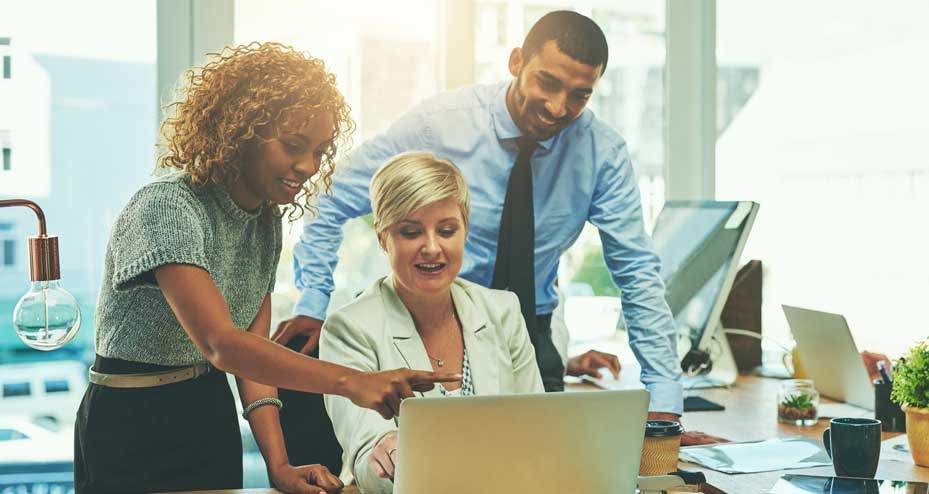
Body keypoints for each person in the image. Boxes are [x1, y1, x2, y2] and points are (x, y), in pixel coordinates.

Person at [278, 10, 711, 441]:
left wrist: (664, 402)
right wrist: (314, 303)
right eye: (548, 82)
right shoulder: (441, 124)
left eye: (580, 95)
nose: (559, 107)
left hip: (531, 333)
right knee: (418, 464)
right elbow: (330, 199)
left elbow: (637, 274)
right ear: (517, 61)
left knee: (539, 465)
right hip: (420, 327)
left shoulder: (601, 153)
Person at [72, 42, 458, 494]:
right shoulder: (166, 206)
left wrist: (279, 466)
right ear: (238, 130)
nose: (309, 167)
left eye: (320, 150)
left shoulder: (265, 222)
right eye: (294, 146)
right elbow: (222, 343)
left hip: (207, 413)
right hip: (129, 420)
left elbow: (252, 353)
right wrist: (352, 382)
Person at [320, 151, 545, 493]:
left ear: (464, 231)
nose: (431, 247)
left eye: (447, 230)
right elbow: (367, 452)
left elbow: (538, 431)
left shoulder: (503, 311)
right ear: (384, 238)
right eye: (411, 232)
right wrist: (387, 454)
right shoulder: (349, 329)